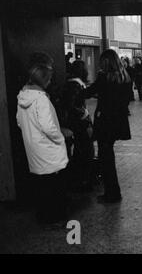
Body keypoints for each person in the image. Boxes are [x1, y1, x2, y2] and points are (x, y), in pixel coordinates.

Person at [17, 53, 69, 223]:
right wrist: (60, 136)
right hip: (48, 151)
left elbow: (19, 122)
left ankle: (43, 216)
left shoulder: (23, 97)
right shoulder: (41, 100)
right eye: (49, 79)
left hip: (34, 150)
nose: (51, 82)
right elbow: (48, 127)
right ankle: (55, 218)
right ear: (44, 80)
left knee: (42, 186)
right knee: (55, 186)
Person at [84, 49, 131, 203]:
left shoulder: (104, 77)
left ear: (105, 62)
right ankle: (113, 192)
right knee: (108, 156)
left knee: (106, 159)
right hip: (117, 123)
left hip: (105, 123)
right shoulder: (124, 77)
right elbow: (126, 100)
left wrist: (77, 91)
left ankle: (112, 194)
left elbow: (90, 91)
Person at [60, 60, 95, 192]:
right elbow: (71, 105)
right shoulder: (75, 85)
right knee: (85, 149)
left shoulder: (73, 84)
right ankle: (82, 180)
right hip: (79, 123)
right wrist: (83, 114)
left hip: (77, 122)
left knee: (82, 149)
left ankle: (82, 179)